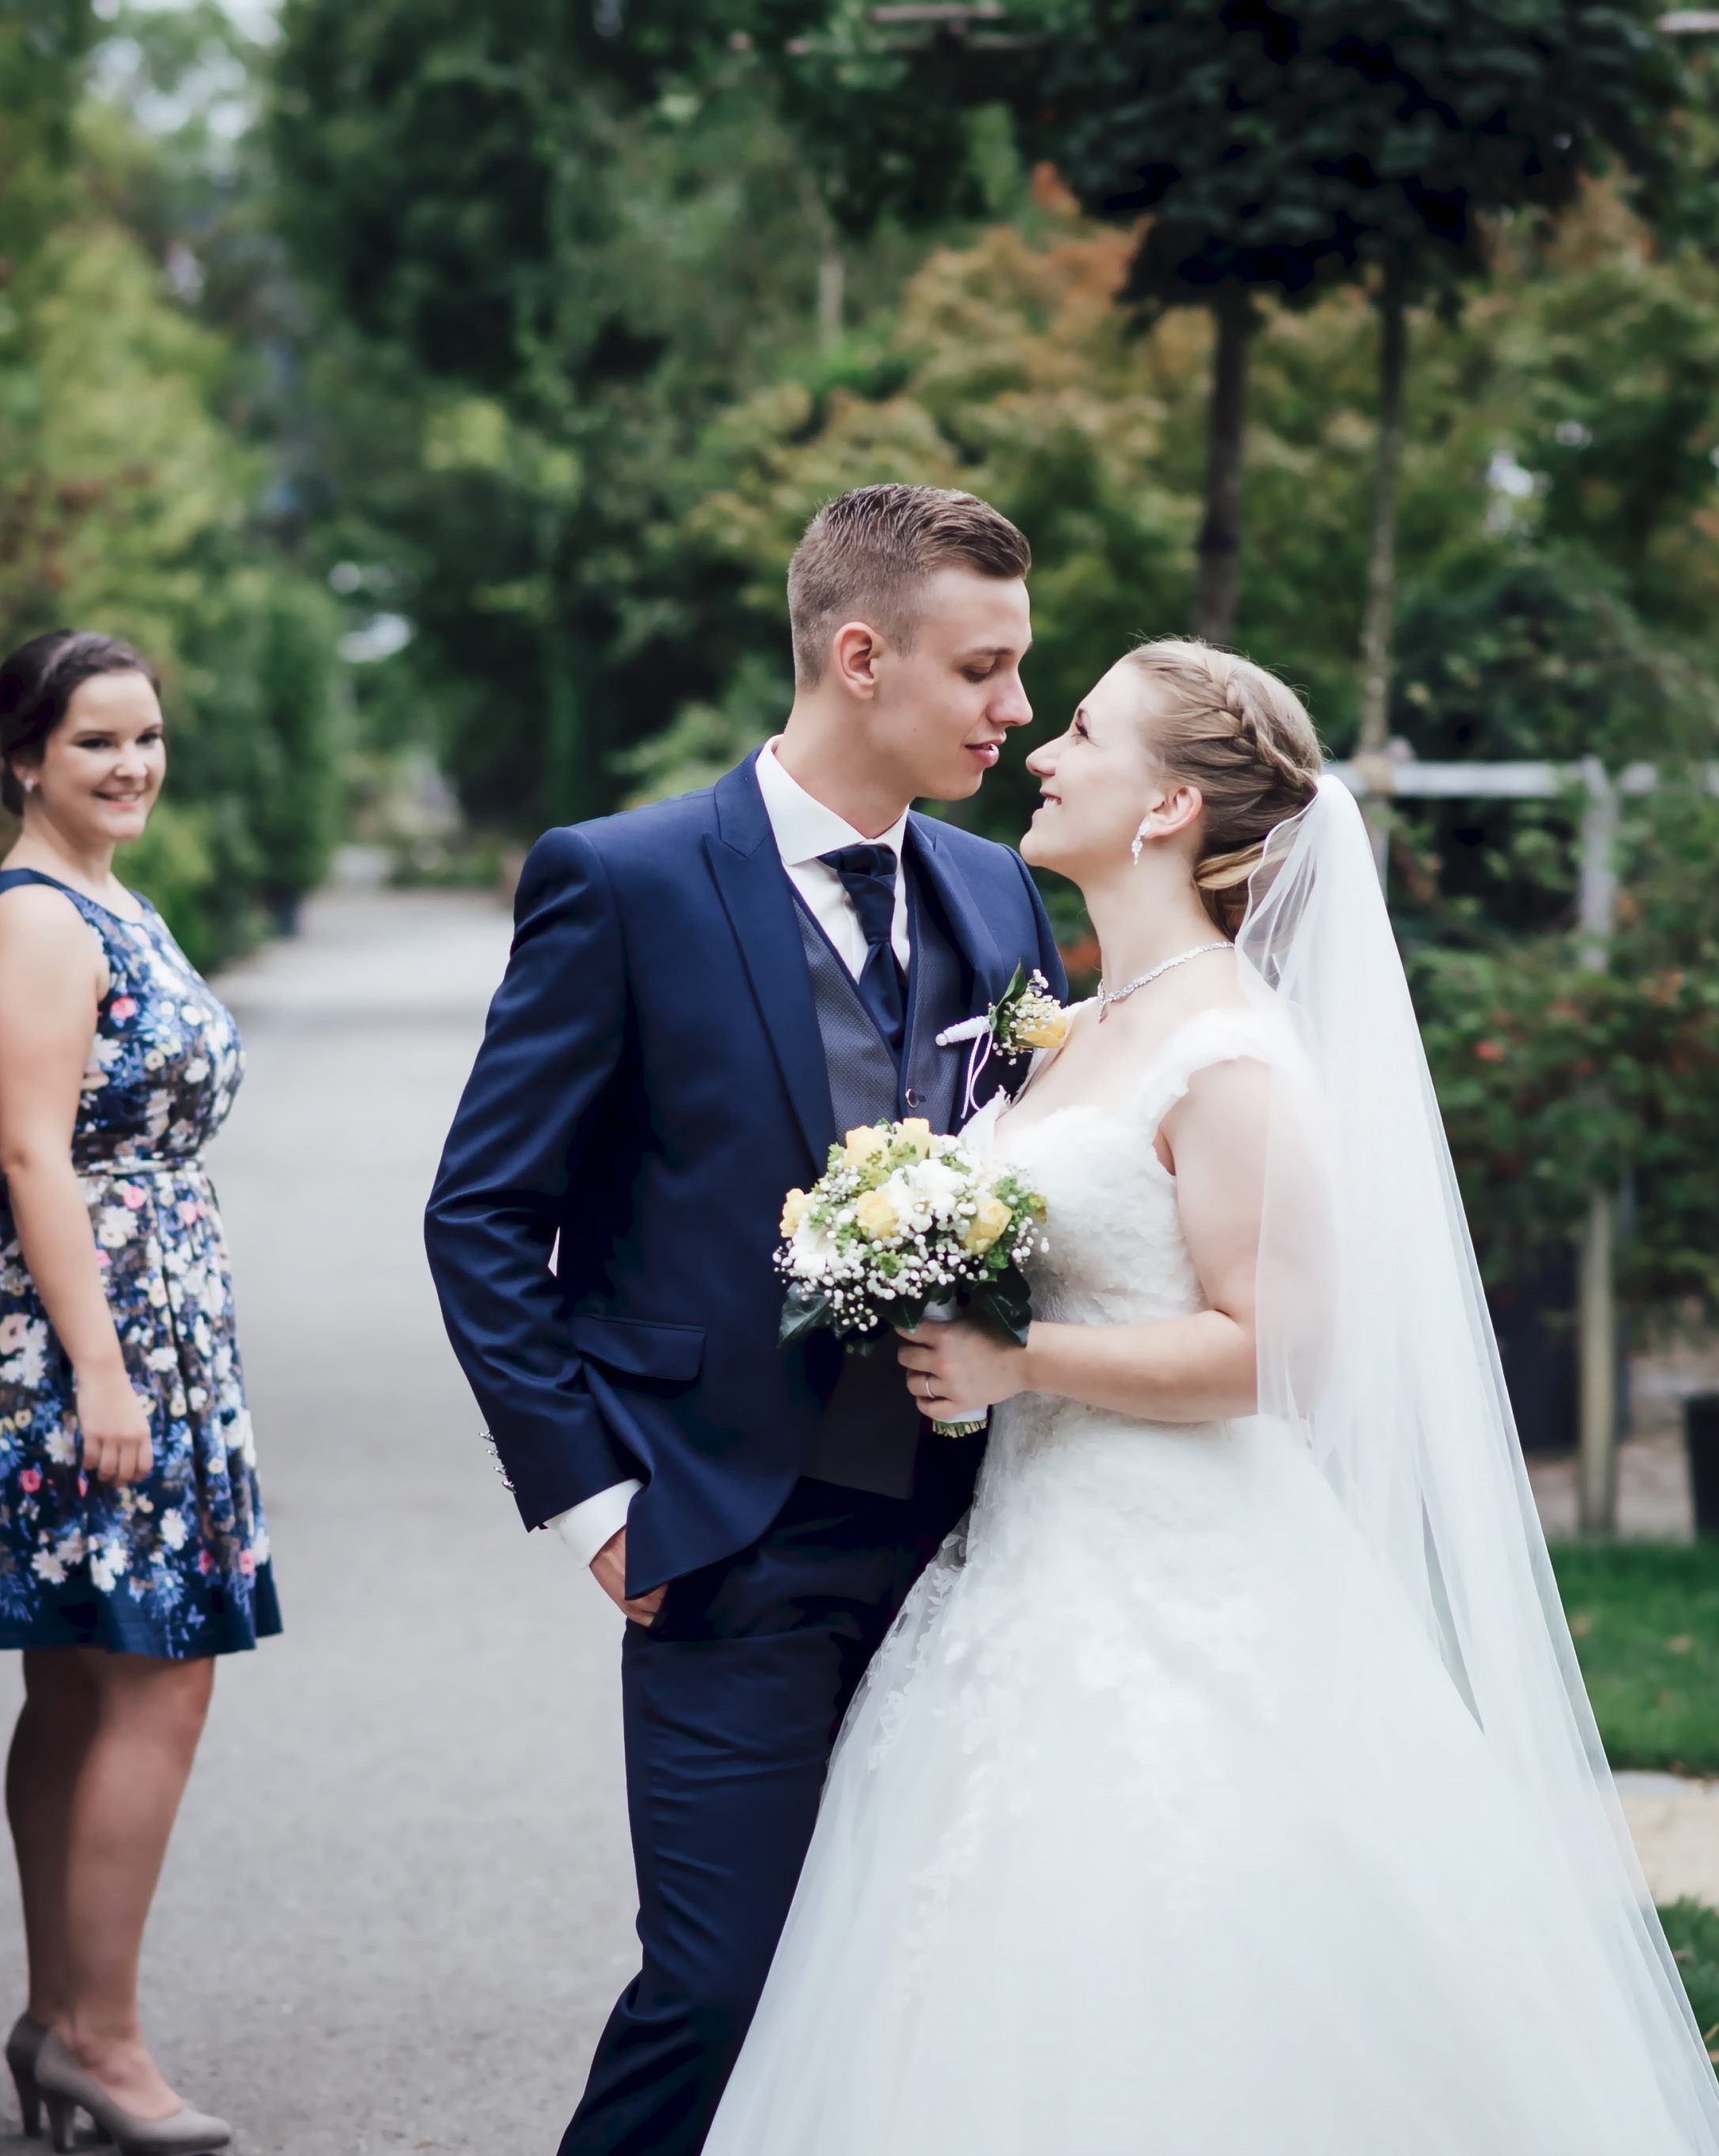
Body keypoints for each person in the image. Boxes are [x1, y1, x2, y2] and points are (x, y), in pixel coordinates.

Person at [697, 641, 1719, 2154]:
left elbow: (1278, 1352)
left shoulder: (1228, 1046)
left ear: (1168, 804)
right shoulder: (1076, 1020)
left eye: (1078, 730)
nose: (1040, 749)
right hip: (1027, 1555)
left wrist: (1018, 1361)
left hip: (1178, 1571)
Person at [425, 484, 1067, 2156]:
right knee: (717, 1985)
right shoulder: (622, 880)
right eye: (982, 672)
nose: (1014, 712)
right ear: (860, 656)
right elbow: (483, 1214)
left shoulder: (997, 894)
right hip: (725, 1534)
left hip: (970, 1542)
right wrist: (593, 1503)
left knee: (913, 1983)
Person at [0, 630, 270, 2156]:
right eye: (95, 744)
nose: (130, 766)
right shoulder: (42, 920)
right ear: (22, 760)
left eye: (147, 737)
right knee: (155, 1668)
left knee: (78, 1672)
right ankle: (103, 2042)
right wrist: (105, 1369)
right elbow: (30, 1152)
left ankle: (60, 2023)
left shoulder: (115, 896)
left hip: (145, 1315)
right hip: (86, 1332)